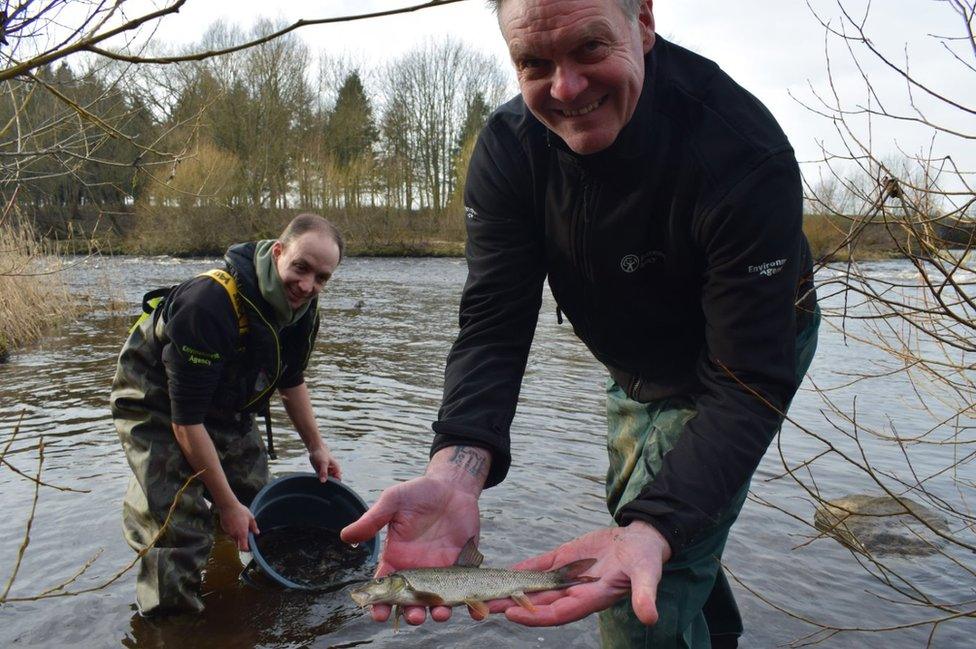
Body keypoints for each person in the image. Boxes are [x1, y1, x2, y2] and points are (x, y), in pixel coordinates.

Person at [341, 0, 819, 646]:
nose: (565, 88)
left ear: (643, 21)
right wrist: (455, 472)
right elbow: (493, 324)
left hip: (743, 354)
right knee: (658, 521)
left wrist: (654, 530)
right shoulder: (509, 154)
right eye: (534, 62)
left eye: (590, 48)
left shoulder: (741, 151)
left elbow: (748, 380)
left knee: (636, 588)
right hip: (632, 356)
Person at [111, 213, 344, 616]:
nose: (307, 286)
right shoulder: (210, 303)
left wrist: (316, 447)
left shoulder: (303, 311)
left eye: (321, 277)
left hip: (223, 401)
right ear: (278, 252)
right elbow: (185, 422)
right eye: (301, 268)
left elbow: (291, 380)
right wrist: (225, 503)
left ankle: (249, 596)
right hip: (158, 401)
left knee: (260, 503)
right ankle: (171, 625)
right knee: (178, 523)